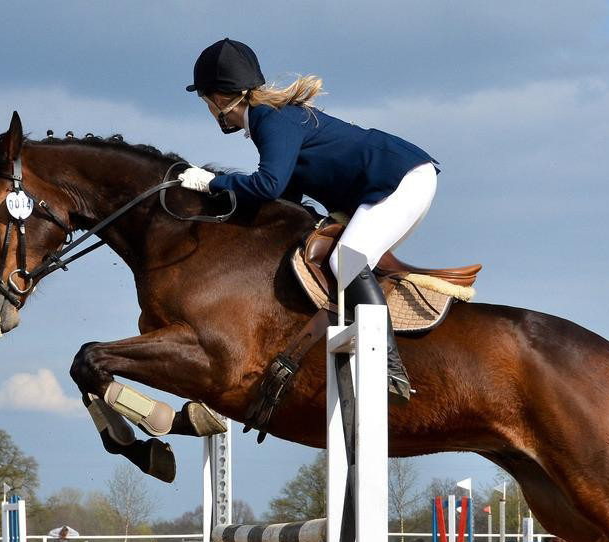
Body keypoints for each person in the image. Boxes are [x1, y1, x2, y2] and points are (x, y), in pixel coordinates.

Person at [180, 38, 439, 404]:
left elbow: (269, 185)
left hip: (400, 179)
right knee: (341, 260)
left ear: (220, 99)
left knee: (347, 259)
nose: (209, 110)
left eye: (206, 102)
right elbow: (286, 199)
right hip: (392, 181)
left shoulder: (271, 118)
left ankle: (389, 368)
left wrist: (212, 183)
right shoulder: (270, 119)